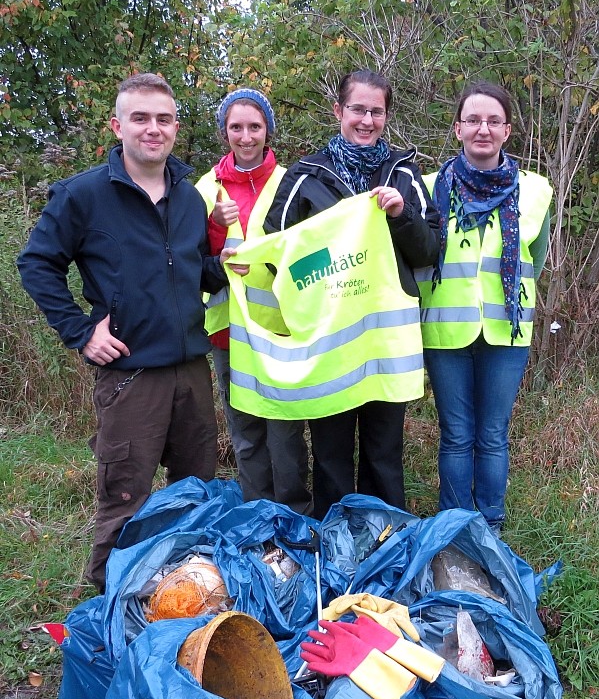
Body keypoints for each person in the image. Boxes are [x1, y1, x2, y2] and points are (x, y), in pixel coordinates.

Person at [17, 73, 244, 592]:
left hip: (189, 369)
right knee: (124, 501)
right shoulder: (84, 195)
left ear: (176, 129)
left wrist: (220, 265)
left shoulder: (189, 199)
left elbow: (187, 273)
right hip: (130, 375)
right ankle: (103, 619)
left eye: (163, 119)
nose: (152, 129)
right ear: (118, 125)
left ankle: (180, 607)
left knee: (193, 499)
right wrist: (80, 331)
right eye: (140, 118)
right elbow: (36, 265)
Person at [264, 69, 440, 519]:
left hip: (387, 339)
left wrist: (401, 215)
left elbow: (428, 249)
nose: (367, 120)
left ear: (386, 116)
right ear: (339, 110)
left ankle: (385, 539)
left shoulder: (404, 174)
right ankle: (337, 538)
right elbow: (274, 245)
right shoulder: (307, 177)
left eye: (376, 111)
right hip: (331, 339)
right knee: (332, 450)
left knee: (384, 451)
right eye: (358, 109)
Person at [415, 81, 553, 532]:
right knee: (457, 435)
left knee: (492, 436)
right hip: (445, 330)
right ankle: (454, 528)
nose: (483, 129)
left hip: (505, 333)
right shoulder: (430, 188)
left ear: (507, 131)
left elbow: (539, 255)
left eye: (493, 121)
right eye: (473, 120)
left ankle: (489, 526)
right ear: (457, 128)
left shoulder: (534, 191)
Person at [195, 88, 312, 513]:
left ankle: (295, 515)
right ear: (225, 132)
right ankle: (256, 515)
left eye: (255, 126)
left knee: (284, 429)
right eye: (236, 127)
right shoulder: (206, 188)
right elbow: (190, 258)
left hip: (279, 327)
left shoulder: (292, 181)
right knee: (244, 430)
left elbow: (305, 251)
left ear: (268, 131)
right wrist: (213, 227)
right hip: (227, 328)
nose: (246, 136)